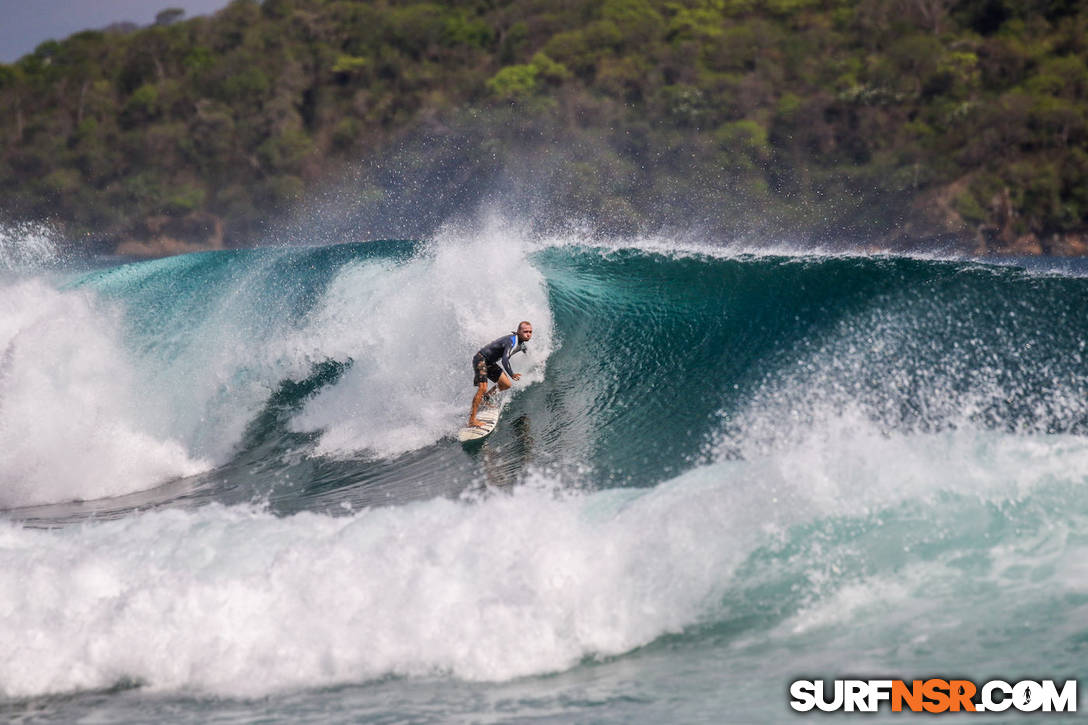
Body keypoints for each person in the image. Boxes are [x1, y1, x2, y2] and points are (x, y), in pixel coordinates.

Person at [468, 321, 533, 428]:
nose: (528, 334)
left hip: (490, 363)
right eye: (525, 331)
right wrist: (512, 374)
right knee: (482, 388)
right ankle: (472, 420)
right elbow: (504, 359)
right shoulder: (512, 341)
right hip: (481, 359)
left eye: (530, 332)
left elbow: (524, 350)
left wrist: (535, 360)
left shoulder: (521, 344)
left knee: (506, 384)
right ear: (518, 332)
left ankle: (485, 400)